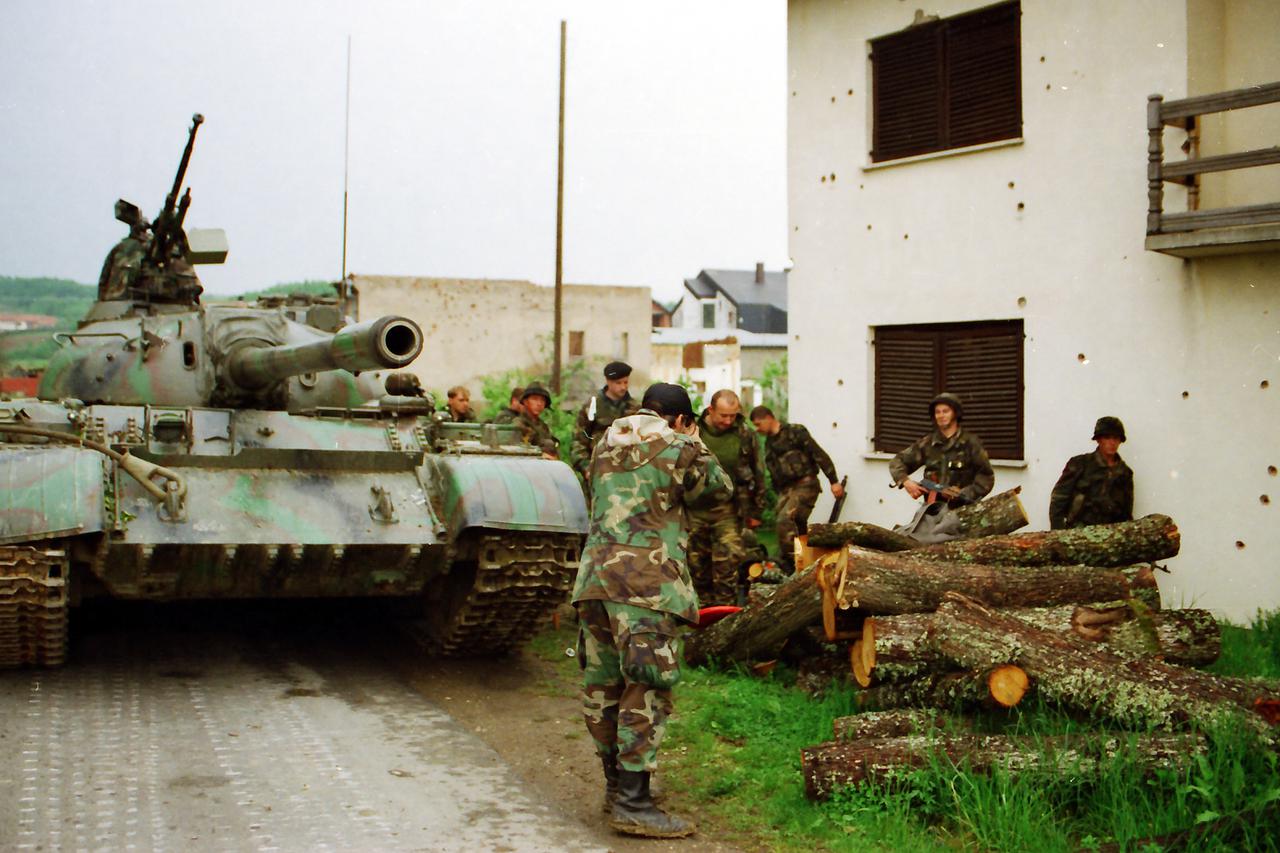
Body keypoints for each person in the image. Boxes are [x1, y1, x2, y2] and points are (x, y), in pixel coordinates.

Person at [572, 382, 731, 838]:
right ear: (680, 420)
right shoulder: (681, 447)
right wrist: (695, 442)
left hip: (595, 582)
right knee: (646, 688)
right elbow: (719, 491)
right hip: (645, 586)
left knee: (604, 687)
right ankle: (634, 803)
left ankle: (616, 788)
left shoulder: (603, 444)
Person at [687, 390, 765, 605]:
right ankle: (704, 612)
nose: (728, 421)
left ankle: (725, 611)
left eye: (733, 415)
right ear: (710, 410)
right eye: (723, 415)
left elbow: (758, 471)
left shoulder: (745, 434)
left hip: (729, 510)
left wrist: (757, 510)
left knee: (728, 564)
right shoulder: (693, 430)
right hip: (695, 510)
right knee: (697, 565)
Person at [749, 405, 843, 573]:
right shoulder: (770, 444)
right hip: (787, 490)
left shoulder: (795, 432)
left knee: (785, 521)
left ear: (768, 418)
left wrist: (833, 481)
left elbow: (818, 454)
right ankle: (803, 563)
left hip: (806, 484)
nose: (757, 429)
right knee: (793, 525)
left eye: (758, 424)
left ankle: (793, 565)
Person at [889, 392, 994, 507]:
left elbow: (986, 477)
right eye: (937, 412)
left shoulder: (971, 443)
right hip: (933, 509)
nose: (941, 415)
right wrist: (906, 481)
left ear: (955, 413)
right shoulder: (927, 443)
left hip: (963, 509)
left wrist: (963, 494)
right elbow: (898, 461)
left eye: (945, 411)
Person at [1049, 416, 1134, 529]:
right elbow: (1059, 499)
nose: (1112, 442)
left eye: (1116, 438)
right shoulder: (1079, 464)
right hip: (1078, 531)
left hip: (1111, 534)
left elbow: (1127, 512)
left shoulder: (1125, 473)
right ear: (1098, 440)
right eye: (1107, 437)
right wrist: (1058, 532)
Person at [571, 361, 640, 478]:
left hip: (628, 471)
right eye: (618, 383)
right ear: (608, 381)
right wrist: (586, 468)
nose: (623, 387)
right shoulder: (592, 406)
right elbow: (579, 440)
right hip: (599, 469)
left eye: (626, 382)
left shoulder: (635, 408)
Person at [97, 200, 152, 301]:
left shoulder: (152, 247)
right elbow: (104, 278)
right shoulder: (120, 248)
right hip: (116, 298)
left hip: (142, 297)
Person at [514, 384, 559, 458]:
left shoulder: (543, 427)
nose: (539, 403)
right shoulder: (518, 424)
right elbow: (515, 452)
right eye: (534, 399)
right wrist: (540, 455)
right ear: (525, 401)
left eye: (542, 400)